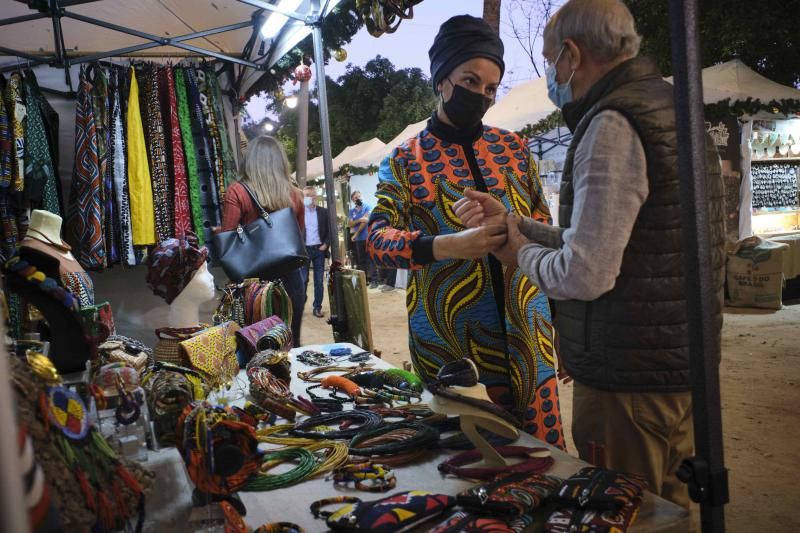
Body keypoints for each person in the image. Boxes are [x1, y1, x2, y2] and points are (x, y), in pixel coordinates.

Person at [455, 0, 725, 509]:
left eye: (548, 58)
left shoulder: (613, 124)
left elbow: (585, 272)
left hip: (627, 383)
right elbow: (619, 239)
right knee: (667, 512)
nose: (552, 76)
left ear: (571, 55)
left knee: (621, 513)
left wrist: (517, 253)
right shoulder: (673, 106)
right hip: (677, 366)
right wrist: (516, 224)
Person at [366, 14, 565, 448]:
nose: (481, 95)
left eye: (491, 88)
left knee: (542, 460)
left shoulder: (514, 149)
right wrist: (447, 245)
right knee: (465, 462)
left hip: (527, 331)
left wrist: (511, 228)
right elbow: (373, 240)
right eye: (470, 81)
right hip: (450, 341)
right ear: (441, 79)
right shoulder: (404, 161)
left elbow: (545, 225)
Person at [220, 136, 306, 344]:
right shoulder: (295, 194)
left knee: (255, 348)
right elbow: (299, 237)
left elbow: (228, 239)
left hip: (254, 285)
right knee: (289, 345)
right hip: (291, 281)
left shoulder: (237, 191)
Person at [302, 186, 330, 318]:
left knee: (319, 281)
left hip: (319, 249)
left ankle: (317, 307)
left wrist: (326, 244)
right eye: (306, 195)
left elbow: (331, 230)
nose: (309, 197)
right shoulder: (299, 213)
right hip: (304, 250)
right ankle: (301, 305)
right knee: (303, 280)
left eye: (311, 195)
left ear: (315, 197)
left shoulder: (324, 212)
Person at [348, 190, 380, 288]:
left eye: (359, 196)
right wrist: (358, 220)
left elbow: (365, 222)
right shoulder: (351, 211)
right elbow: (350, 224)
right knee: (360, 261)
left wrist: (356, 232)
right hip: (358, 240)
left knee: (371, 259)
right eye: (356, 198)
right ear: (353, 200)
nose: (358, 199)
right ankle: (364, 280)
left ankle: (374, 281)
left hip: (368, 237)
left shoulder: (368, 207)